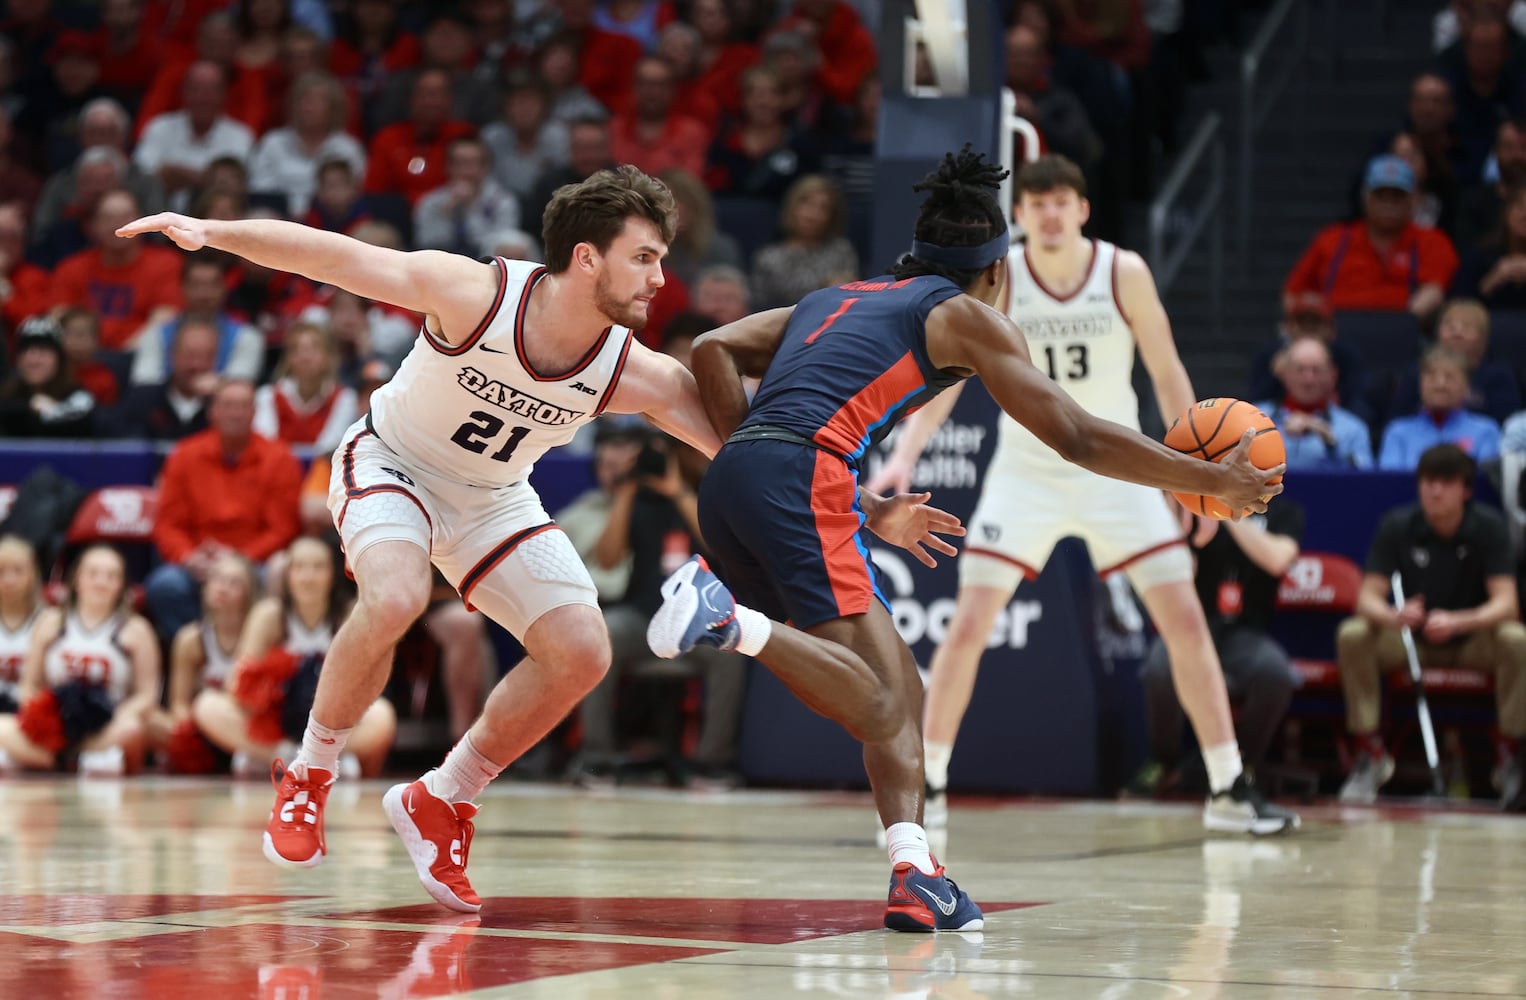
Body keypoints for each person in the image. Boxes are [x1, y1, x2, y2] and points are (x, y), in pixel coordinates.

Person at [116, 165, 892, 912]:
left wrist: (862, 506)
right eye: (645, 258)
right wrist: (209, 231)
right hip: (393, 462)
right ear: (587, 258)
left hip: (491, 498)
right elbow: (335, 255)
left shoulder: (631, 369)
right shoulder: (475, 294)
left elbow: (752, 453)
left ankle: (442, 796)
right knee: (394, 594)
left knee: (583, 650)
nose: (661, 278)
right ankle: (311, 773)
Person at [645, 146, 1285, 933]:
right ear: (994, 273)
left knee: (896, 691)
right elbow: (1077, 435)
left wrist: (846, 497)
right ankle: (726, 619)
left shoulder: (838, 295)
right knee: (883, 700)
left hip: (742, 477)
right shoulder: (966, 315)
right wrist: (1207, 479)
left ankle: (916, 873)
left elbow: (710, 347)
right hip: (796, 480)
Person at [869, 153, 1300, 838]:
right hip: (1025, 472)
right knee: (969, 623)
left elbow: (1167, 372)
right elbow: (949, 374)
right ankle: (934, 781)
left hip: (1116, 468)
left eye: (1060, 200)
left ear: (1082, 209)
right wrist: (905, 456)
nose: (1047, 213)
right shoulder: (1004, 280)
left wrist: (1196, 473)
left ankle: (1227, 785)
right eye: (1036, 202)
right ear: (1023, 214)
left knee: (1185, 620)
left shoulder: (1122, 271)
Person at [1336, 444, 1526, 810]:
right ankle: (1370, 754)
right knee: (1354, 633)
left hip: (1472, 640)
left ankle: (1511, 756)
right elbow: (1366, 598)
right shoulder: (1398, 525)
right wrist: (1394, 615)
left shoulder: (1487, 527)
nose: (1434, 490)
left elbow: (1507, 603)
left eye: (1445, 482)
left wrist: (1459, 621)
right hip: (1412, 641)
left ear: (1466, 490)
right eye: (1427, 481)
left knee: (1516, 638)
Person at [1134, 499, 1306, 794]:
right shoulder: (1192, 503)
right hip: (1195, 627)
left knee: (1275, 674)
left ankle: (1242, 766)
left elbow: (1278, 560)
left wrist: (1227, 511)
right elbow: (1180, 569)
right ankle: (1165, 762)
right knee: (1159, 668)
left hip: (1246, 634)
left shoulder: (1284, 510)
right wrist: (1185, 526)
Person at [193, 537, 394, 779]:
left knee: (382, 715)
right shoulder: (269, 615)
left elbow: (367, 685)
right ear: (287, 576)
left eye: (318, 567)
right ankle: (286, 756)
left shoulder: (348, 614)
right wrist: (267, 690)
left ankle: (322, 755)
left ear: (333, 574)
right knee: (207, 706)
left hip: (332, 722)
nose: (308, 577)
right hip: (277, 723)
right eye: (299, 568)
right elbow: (236, 682)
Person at [0, 545, 160, 776]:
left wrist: (115, 717)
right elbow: (29, 685)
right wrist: (44, 721)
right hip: (56, 725)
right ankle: (74, 760)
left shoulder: (136, 629)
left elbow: (146, 696)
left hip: (107, 725)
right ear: (76, 579)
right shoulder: (51, 621)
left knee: (132, 730)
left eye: (111, 576)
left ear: (122, 585)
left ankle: (45, 759)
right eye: (93, 573)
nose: (100, 582)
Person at [147, 551, 258, 773]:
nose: (222, 588)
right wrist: (188, 729)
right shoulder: (191, 639)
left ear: (249, 592)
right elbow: (179, 702)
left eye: (233, 582)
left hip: (242, 721)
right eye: (216, 579)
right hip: (204, 725)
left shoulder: (258, 633)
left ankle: (251, 752)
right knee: (151, 720)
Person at [0, 535, 44, 744]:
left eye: (18, 571)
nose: (9, 579)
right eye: (1, 571)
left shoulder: (49, 621)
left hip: (29, 714)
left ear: (33, 574)